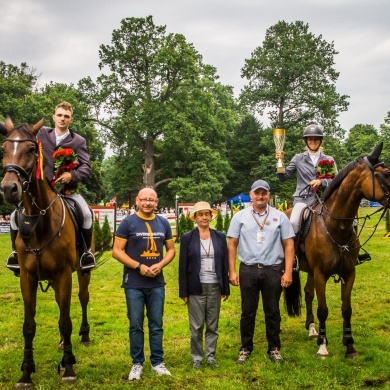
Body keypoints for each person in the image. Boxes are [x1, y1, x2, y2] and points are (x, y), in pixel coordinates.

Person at [6, 101, 96, 275]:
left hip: (66, 190)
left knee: (86, 213)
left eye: (66, 116)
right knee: (13, 216)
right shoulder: (40, 133)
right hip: (41, 189)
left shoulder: (78, 141)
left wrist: (73, 175)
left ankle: (85, 254)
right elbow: (17, 135)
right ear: (54, 117)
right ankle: (16, 254)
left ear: (71, 119)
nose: (62, 119)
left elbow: (86, 166)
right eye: (60, 115)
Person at [275, 123, 370, 264]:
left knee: (352, 220)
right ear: (306, 141)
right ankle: (294, 256)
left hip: (325, 199)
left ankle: (353, 254)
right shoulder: (298, 158)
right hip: (303, 199)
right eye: (310, 139)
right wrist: (280, 161)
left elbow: (337, 181)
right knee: (294, 221)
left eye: (316, 139)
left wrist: (322, 182)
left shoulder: (329, 159)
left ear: (320, 141)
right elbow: (283, 178)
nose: (313, 141)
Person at [227, 179, 295, 364]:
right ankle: (245, 347)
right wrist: (232, 271)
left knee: (272, 311)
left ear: (268, 195)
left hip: (272, 269)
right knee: (247, 311)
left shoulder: (280, 217)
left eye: (264, 193)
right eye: (257, 193)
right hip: (248, 269)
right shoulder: (239, 217)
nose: (260, 196)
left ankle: (274, 348)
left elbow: (289, 244)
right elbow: (232, 244)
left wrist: (288, 271)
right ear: (251, 195)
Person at [112, 187, 175, 381]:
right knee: (136, 325)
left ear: (157, 202)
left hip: (156, 282)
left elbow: (171, 250)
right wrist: (138, 266)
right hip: (134, 283)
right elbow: (116, 251)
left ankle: (158, 362)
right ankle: (137, 363)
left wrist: (161, 264)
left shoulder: (163, 223)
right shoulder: (128, 223)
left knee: (156, 325)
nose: (148, 203)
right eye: (144, 199)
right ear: (137, 201)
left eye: (152, 200)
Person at [179, 201, 230, 369]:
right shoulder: (187, 237)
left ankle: (210, 356)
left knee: (213, 324)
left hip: (215, 285)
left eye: (206, 214)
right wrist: (184, 291)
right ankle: (196, 358)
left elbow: (224, 264)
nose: (204, 217)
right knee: (196, 325)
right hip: (195, 286)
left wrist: (225, 288)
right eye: (200, 214)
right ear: (195, 218)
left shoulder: (220, 236)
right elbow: (182, 266)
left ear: (211, 216)